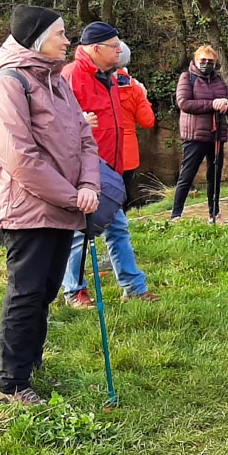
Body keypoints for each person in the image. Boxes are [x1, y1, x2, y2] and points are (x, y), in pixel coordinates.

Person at [0, 4, 101, 405]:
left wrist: (88, 185)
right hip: (25, 208)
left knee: (48, 289)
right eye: (60, 34)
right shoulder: (8, 86)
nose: (67, 40)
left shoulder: (58, 82)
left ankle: (31, 367)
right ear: (36, 40)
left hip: (63, 206)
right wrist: (73, 196)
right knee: (27, 292)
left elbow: (85, 138)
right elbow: (19, 158)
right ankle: (12, 385)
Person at [61, 22, 161, 305]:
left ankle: (134, 288)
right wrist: (78, 121)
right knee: (81, 231)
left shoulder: (115, 78)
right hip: (83, 168)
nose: (120, 51)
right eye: (114, 47)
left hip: (111, 169)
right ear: (95, 49)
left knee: (117, 228)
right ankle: (74, 291)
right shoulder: (70, 77)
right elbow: (51, 125)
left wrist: (137, 91)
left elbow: (142, 120)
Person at [172, 44, 228, 222]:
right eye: (203, 61)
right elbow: (184, 103)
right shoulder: (187, 78)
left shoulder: (219, 80)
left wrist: (227, 104)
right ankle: (176, 214)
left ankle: (214, 213)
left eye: (211, 61)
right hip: (195, 136)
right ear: (196, 61)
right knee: (187, 175)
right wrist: (212, 104)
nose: (207, 64)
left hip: (216, 136)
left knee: (214, 176)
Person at [113, 42, 156, 206]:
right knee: (123, 195)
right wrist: (143, 97)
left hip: (100, 149)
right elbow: (147, 121)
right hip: (127, 150)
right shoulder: (133, 87)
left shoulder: (94, 81)